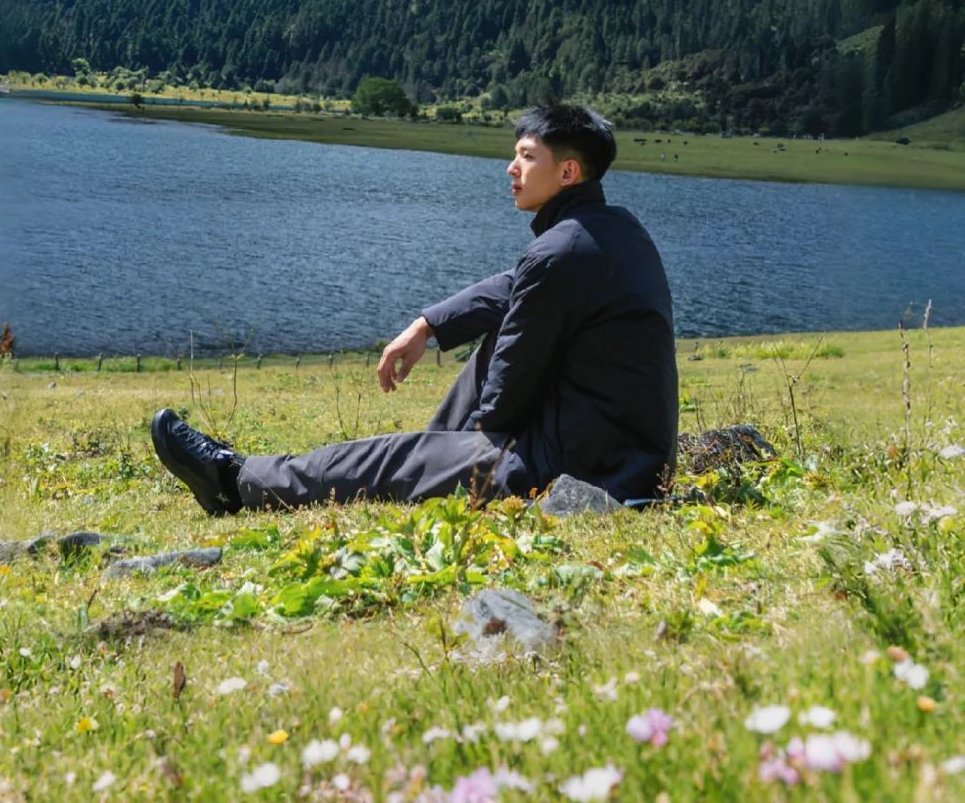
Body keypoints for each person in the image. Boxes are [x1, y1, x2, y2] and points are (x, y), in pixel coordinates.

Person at [150, 103, 678, 514]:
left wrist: (459, 452)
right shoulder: (611, 231)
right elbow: (511, 287)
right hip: (622, 454)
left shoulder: (558, 251)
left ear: (567, 173)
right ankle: (431, 463)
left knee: (394, 457)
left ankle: (234, 481)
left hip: (584, 468)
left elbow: (506, 396)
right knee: (490, 342)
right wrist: (426, 325)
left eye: (527, 156)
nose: (511, 168)